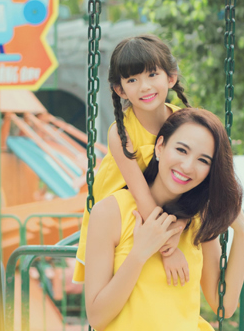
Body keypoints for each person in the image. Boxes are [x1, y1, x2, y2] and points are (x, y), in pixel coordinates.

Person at [78, 108, 244, 331]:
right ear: (160, 147)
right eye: (181, 150)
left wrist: (242, 232)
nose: (188, 166)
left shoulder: (198, 221)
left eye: (203, 160)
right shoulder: (111, 213)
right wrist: (139, 253)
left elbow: (224, 306)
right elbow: (97, 317)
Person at [73, 35, 192, 287]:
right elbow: (141, 196)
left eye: (152, 74)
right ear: (120, 89)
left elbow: (200, 182)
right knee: (110, 284)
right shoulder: (121, 134)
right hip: (122, 209)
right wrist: (169, 249)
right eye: (132, 80)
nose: (144, 87)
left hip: (163, 211)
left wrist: (180, 225)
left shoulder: (185, 123)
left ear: (171, 78)